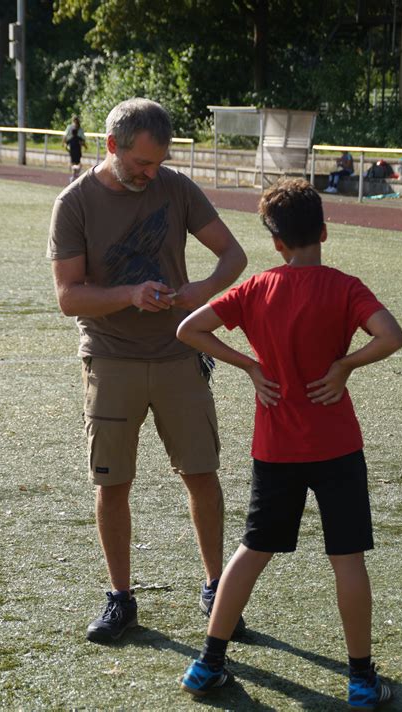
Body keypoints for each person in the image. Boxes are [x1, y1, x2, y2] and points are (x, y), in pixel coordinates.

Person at [178, 178, 402, 708]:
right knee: (347, 559)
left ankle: (208, 663)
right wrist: (346, 365)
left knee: (252, 550)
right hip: (337, 444)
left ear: (276, 241)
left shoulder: (257, 288)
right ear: (324, 230)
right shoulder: (345, 287)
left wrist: (250, 366)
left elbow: (189, 328)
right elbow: (392, 336)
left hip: (276, 446)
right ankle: (362, 680)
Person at [47, 98, 247, 644]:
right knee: (112, 485)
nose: (150, 174)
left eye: (158, 163)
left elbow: (232, 255)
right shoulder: (75, 204)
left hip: (180, 353)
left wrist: (199, 294)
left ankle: (215, 588)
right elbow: (69, 297)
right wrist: (130, 294)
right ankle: (120, 598)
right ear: (111, 146)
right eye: (141, 163)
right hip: (111, 359)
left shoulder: (177, 187)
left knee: (201, 473)